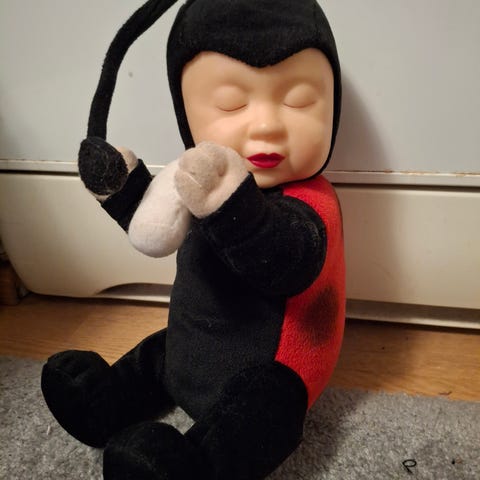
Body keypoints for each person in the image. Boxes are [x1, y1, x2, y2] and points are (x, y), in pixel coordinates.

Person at [41, 1, 345, 478]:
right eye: (231, 103)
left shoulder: (311, 202)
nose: (267, 125)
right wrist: (121, 189)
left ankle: (196, 466)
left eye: (300, 100)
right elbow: (154, 225)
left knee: (266, 410)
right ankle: (102, 403)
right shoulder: (195, 175)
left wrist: (233, 206)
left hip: (270, 369)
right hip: (193, 345)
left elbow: (290, 262)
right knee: (163, 354)